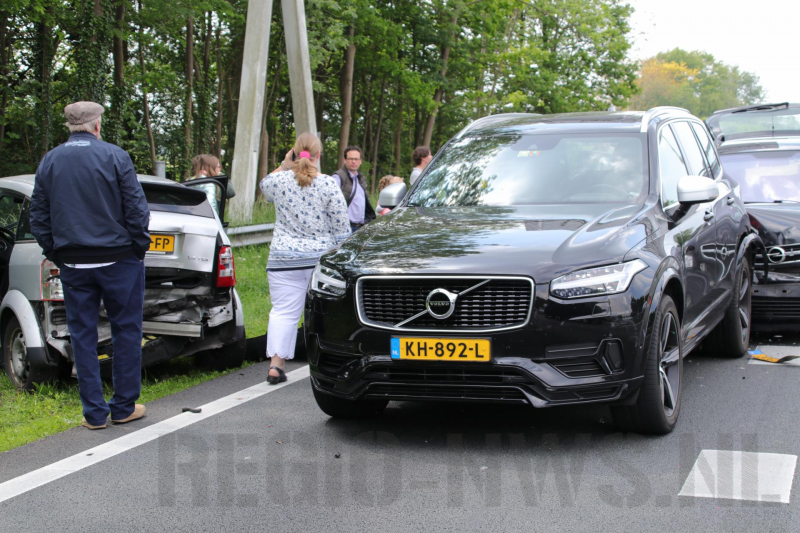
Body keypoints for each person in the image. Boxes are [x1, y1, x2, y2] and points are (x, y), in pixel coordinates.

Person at [30, 101, 150, 430]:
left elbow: (38, 217)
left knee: (82, 335)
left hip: (74, 263)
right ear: (97, 125)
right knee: (126, 330)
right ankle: (124, 406)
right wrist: (138, 247)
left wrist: (56, 251)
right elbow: (136, 209)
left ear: (70, 127)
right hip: (119, 260)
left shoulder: (50, 161)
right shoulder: (115, 156)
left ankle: (95, 414)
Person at [260, 133, 350, 384]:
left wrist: (285, 163)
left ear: (294, 153)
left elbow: (264, 184)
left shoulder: (278, 182)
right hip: (319, 261)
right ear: (319, 156)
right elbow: (342, 229)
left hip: (283, 258)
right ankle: (329, 364)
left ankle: (276, 367)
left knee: (283, 313)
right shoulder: (328, 184)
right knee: (325, 312)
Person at [332, 146, 376, 232]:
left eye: (356, 159)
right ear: (345, 160)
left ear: (360, 161)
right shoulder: (338, 177)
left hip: (362, 227)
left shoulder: (361, 178)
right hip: (346, 227)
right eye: (350, 159)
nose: (353, 161)